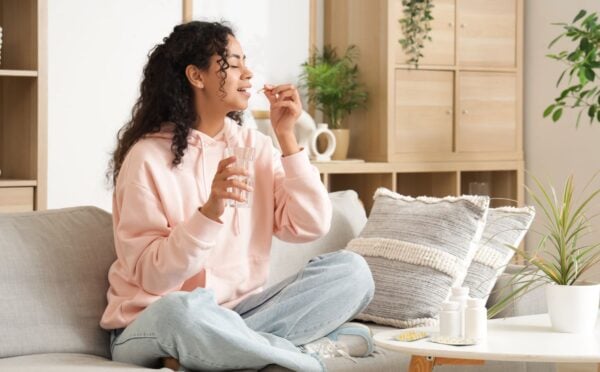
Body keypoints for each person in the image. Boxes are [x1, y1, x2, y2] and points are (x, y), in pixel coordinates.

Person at [100, 20, 375, 372]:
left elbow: (310, 224)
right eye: (233, 63)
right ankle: (302, 356)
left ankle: (221, 351)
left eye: (246, 61)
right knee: (183, 310)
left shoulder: (254, 146)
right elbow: (153, 279)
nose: (248, 73)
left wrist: (287, 139)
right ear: (196, 76)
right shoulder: (146, 159)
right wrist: (209, 212)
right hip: (151, 321)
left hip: (238, 314)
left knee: (353, 272)